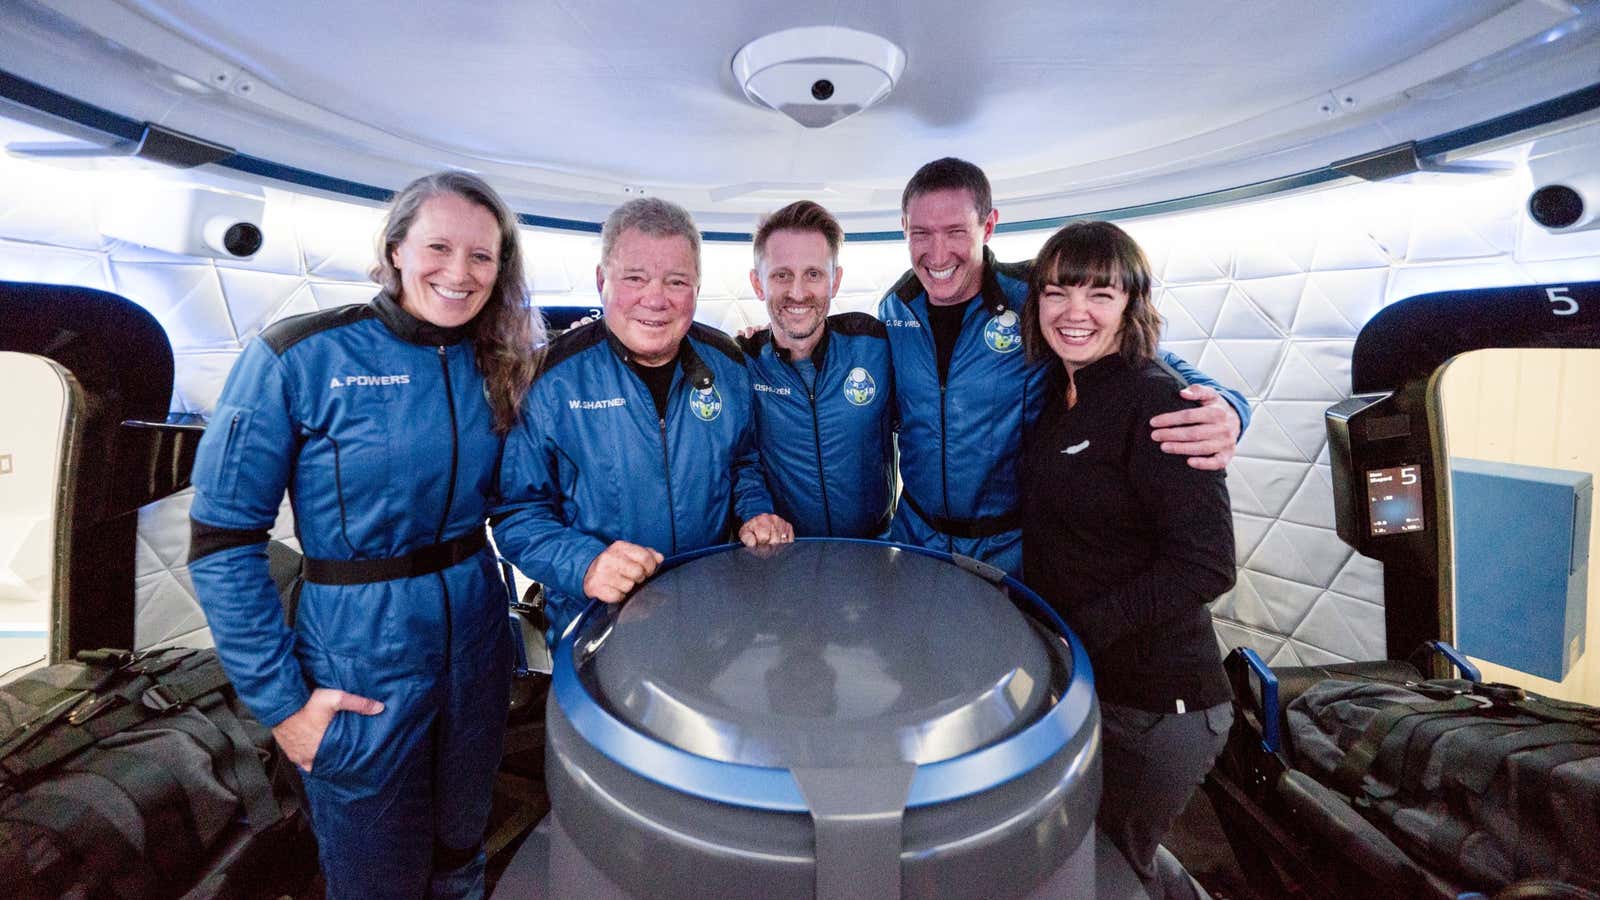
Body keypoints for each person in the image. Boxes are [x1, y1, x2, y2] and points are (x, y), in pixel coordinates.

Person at [187, 172, 544, 898]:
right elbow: (223, 545)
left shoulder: (501, 360)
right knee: (373, 875)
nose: (460, 271)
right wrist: (284, 707)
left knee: (461, 852)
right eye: (439, 246)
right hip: (356, 655)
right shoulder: (301, 356)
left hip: (475, 640)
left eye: (483, 256)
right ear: (395, 248)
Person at [880, 157, 1251, 576]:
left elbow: (1144, 353)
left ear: (988, 226)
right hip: (914, 536)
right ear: (904, 228)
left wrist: (1233, 408)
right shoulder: (895, 307)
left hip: (1013, 546)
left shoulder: (1034, 297)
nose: (938, 252)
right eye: (921, 233)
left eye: (955, 232)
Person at [1020, 221, 1235, 900]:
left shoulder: (1159, 400)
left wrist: (1079, 627)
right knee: (1117, 849)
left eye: (1099, 294)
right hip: (1100, 686)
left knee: (1108, 866)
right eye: (1057, 292)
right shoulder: (1062, 391)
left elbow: (1206, 566)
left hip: (1159, 704)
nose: (1074, 312)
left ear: (1131, 304)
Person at [493, 197, 791, 645]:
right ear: (601, 281)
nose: (656, 299)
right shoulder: (548, 382)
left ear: (696, 287)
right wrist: (587, 565)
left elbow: (742, 463)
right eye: (635, 278)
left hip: (712, 614)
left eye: (676, 281)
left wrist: (755, 513)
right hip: (597, 623)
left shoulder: (728, 365)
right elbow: (518, 514)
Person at [739, 200, 894, 538]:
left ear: (835, 281)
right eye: (782, 275)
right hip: (785, 555)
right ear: (757, 283)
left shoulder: (875, 345)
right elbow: (740, 463)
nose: (797, 292)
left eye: (813, 274)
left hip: (873, 550)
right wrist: (757, 513)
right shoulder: (740, 365)